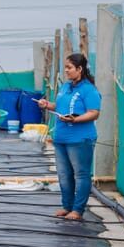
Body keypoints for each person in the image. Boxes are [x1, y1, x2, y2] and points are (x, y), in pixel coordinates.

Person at [37, 53, 101, 220]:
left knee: (81, 174)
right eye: (65, 67)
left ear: (79, 69)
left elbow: (94, 113)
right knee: (64, 174)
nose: (66, 71)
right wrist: (46, 105)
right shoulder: (66, 86)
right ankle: (67, 206)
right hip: (61, 138)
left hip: (80, 139)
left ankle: (78, 210)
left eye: (69, 68)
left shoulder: (89, 90)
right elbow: (58, 106)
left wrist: (76, 119)